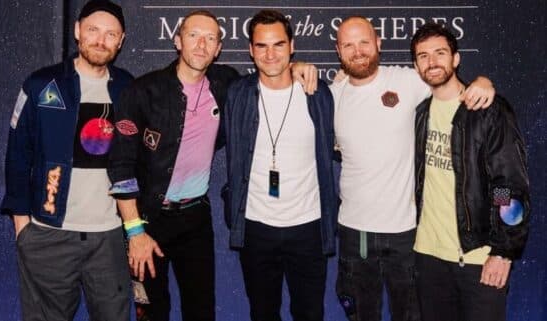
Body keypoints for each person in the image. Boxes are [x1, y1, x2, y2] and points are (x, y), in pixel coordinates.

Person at [107, 9, 318, 321]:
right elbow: (121, 166)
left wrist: (296, 66)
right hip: (148, 221)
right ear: (177, 41)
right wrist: (134, 232)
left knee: (201, 311)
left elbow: (271, 73)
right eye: (193, 35)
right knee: (150, 312)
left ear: (219, 49)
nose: (201, 45)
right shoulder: (142, 92)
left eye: (210, 39)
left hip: (195, 220)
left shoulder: (226, 85)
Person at [331, 16, 496, 321]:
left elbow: (447, 80)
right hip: (356, 233)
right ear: (338, 51)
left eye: (364, 42)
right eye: (348, 45)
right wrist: (295, 66)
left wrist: (482, 82)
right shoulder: (332, 95)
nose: (358, 51)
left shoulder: (409, 80)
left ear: (378, 43)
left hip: (408, 234)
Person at [0, 1, 132, 320]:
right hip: (49, 235)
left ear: (121, 40)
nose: (101, 40)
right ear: (77, 31)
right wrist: (23, 227)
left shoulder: (129, 88)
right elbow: (18, 154)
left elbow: (137, 160)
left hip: (110, 236)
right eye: (93, 30)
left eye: (110, 33)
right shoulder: (41, 85)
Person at [222, 10, 336, 321]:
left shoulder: (319, 94)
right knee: (262, 312)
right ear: (250, 50)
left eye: (278, 45)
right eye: (261, 46)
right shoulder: (237, 94)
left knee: (310, 313)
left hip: (308, 228)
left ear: (292, 46)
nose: (270, 54)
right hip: (256, 227)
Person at [411, 22, 530, 321]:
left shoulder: (488, 110)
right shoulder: (420, 113)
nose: (432, 62)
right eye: (423, 56)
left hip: (478, 257)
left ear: (456, 58)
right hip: (429, 258)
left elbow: (507, 185)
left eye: (439, 53)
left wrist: (503, 250)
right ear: (416, 65)